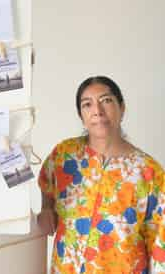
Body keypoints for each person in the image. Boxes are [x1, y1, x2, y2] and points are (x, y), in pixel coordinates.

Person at [37, 76, 165, 273]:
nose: (97, 111)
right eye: (87, 104)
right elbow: (46, 184)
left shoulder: (148, 171)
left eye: (106, 100)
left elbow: (160, 241)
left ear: (122, 108)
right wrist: (46, 208)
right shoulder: (64, 155)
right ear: (81, 115)